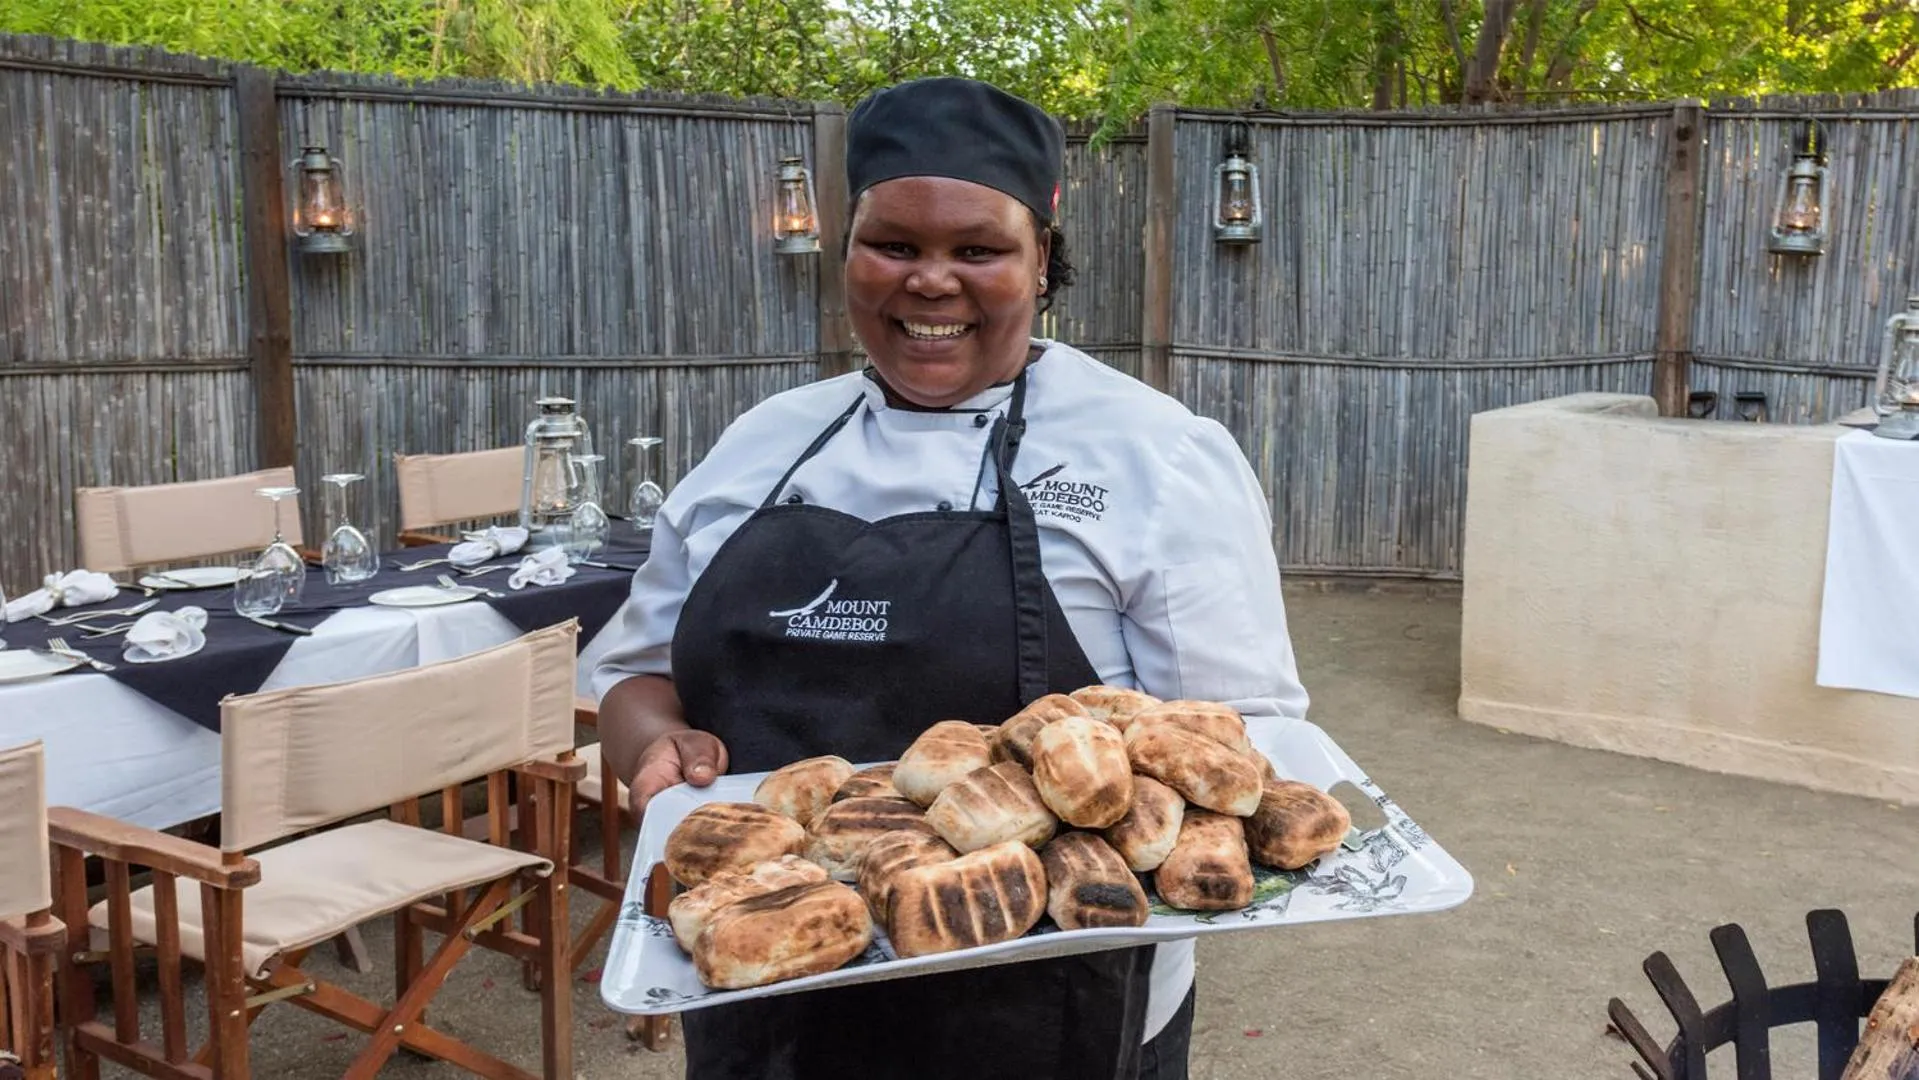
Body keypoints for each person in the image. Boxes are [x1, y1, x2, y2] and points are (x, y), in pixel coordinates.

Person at [591, 75, 1310, 1080]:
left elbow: (1243, 747)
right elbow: (631, 681)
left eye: (977, 250)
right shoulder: (761, 447)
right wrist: (656, 748)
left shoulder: (1155, 456)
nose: (931, 282)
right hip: (769, 969)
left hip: (1051, 1000)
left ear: (1041, 262)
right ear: (848, 252)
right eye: (895, 245)